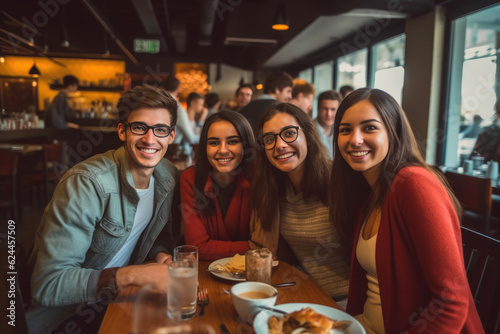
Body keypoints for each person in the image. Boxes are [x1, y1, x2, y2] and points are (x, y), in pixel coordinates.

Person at [26, 85, 181, 333]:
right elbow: (48, 283)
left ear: (171, 136)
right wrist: (130, 276)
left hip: (118, 303)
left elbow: (156, 234)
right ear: (122, 130)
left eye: (160, 130)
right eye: (139, 127)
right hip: (65, 318)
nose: (150, 139)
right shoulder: (88, 183)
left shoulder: (168, 176)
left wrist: (159, 255)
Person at [330, 88, 483, 333]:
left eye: (369, 128)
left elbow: (452, 301)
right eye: (345, 130)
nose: (355, 139)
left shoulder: (414, 184)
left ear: (394, 132)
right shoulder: (370, 191)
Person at [249, 103, 350, 301]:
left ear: (309, 136)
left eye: (288, 133)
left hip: (349, 302)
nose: (279, 145)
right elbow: (263, 248)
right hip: (305, 296)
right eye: (269, 139)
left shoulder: (338, 184)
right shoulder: (273, 190)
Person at [180, 110, 255, 260]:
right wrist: (253, 247)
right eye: (214, 143)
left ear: (246, 145)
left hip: (251, 274)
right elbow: (197, 248)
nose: (222, 150)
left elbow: (269, 245)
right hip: (204, 274)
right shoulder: (190, 179)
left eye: (232, 141)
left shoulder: (259, 180)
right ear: (204, 147)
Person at [162, 75, 200, 145]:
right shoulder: (177, 107)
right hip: (170, 149)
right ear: (178, 88)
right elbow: (191, 138)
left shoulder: (159, 102)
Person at [314, 90, 342, 159]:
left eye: (333, 109)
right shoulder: (308, 130)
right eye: (325, 109)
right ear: (318, 109)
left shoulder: (340, 131)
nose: (329, 114)